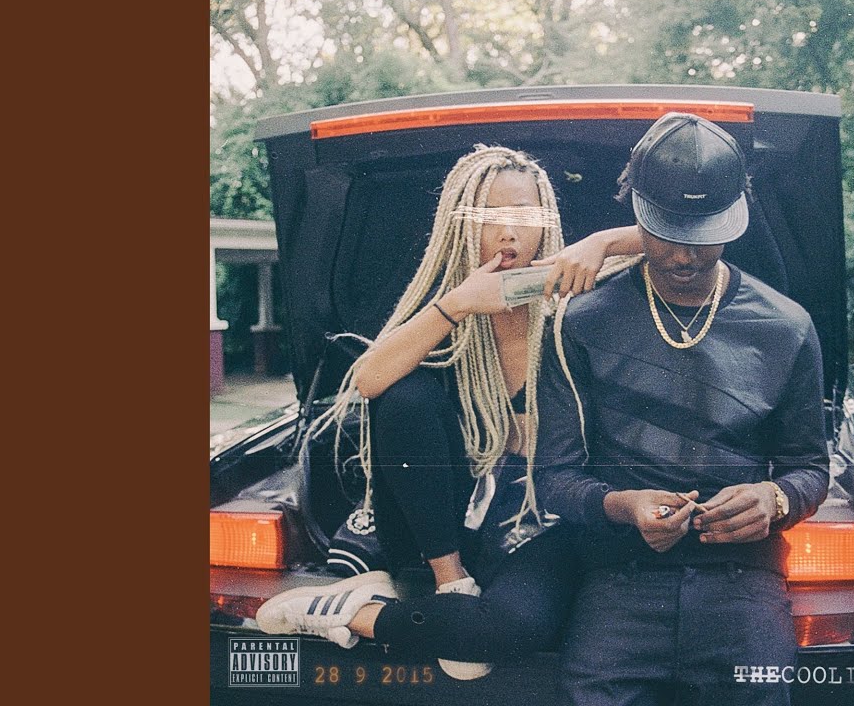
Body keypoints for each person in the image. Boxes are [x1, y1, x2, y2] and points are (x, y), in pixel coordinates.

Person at [254, 145, 643, 681]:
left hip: (542, 520)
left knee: (502, 636)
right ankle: (451, 587)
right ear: (462, 225)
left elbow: (682, 242)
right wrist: (458, 304)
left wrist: (603, 242)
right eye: (490, 216)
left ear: (547, 222)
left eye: (524, 215)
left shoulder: (576, 299)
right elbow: (367, 380)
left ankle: (349, 612)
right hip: (442, 530)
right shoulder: (449, 313)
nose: (508, 232)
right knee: (403, 393)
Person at [534, 113, 831, 706]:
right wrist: (623, 506)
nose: (683, 255)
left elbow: (811, 468)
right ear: (638, 216)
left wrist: (775, 499)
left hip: (743, 581)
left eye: (703, 235)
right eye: (666, 232)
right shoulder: (580, 323)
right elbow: (553, 478)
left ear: (734, 220)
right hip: (620, 578)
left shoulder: (787, 326)